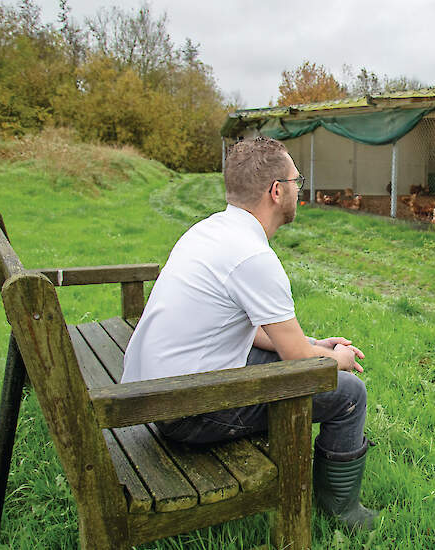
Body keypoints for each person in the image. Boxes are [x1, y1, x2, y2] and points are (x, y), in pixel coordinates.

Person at [121, 137, 377, 530]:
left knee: (306, 365)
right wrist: (336, 359)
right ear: (277, 191)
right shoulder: (254, 257)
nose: (298, 189)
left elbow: (260, 333)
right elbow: (301, 366)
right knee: (348, 394)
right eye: (297, 180)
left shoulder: (210, 230)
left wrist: (312, 343)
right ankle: (342, 514)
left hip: (158, 392)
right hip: (186, 411)